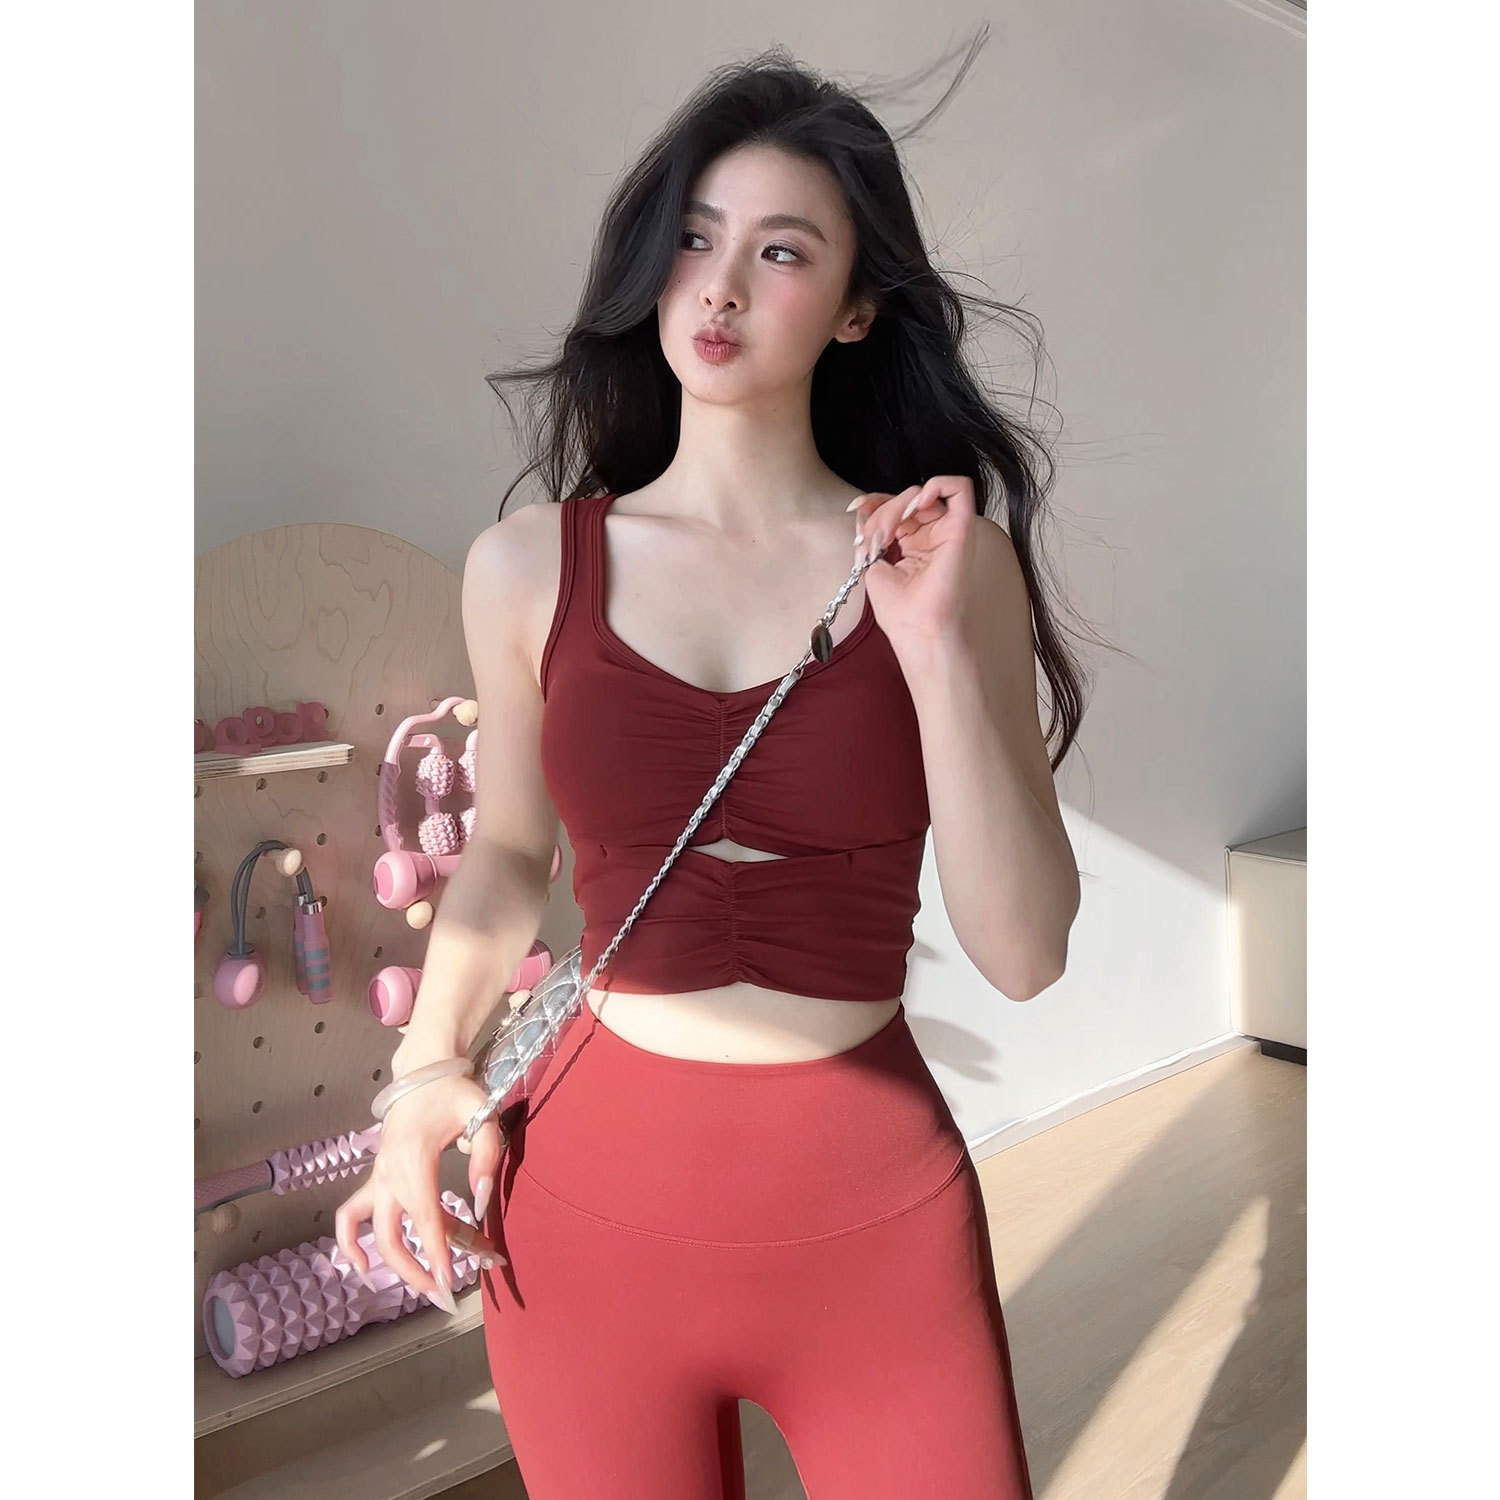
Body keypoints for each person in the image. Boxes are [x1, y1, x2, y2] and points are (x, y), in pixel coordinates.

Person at [338, 38, 1087, 1500]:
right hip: (587, 1212)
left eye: (782, 251)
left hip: (873, 1220)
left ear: (858, 308)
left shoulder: (944, 566)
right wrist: (427, 1067)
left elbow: (1024, 954)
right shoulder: (526, 567)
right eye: (694, 237)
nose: (722, 286)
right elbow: (509, 854)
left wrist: (932, 646)